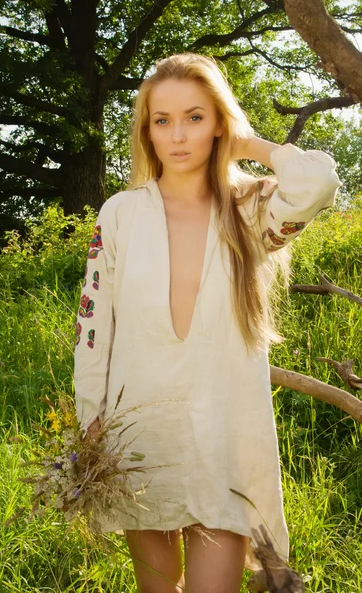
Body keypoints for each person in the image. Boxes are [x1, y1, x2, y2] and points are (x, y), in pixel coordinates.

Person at [74, 53, 341, 593]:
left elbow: (316, 184)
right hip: (137, 429)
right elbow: (93, 326)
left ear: (220, 121)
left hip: (224, 426)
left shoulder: (253, 210)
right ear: (147, 132)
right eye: (162, 120)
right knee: (157, 587)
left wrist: (249, 147)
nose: (178, 135)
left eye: (196, 117)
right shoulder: (120, 213)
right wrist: (90, 420)